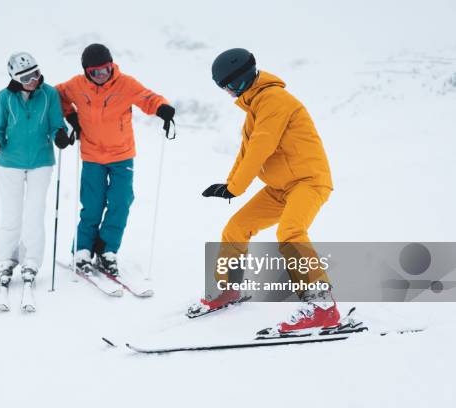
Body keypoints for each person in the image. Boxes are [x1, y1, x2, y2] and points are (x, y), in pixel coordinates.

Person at [188, 48, 338, 334]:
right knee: (236, 227)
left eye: (230, 87)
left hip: (308, 181)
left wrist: (237, 186)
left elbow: (261, 148)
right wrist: (229, 186)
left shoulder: (274, 100)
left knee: (291, 232)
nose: (229, 93)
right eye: (224, 89)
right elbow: (245, 153)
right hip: (280, 187)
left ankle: (323, 307)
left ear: (242, 79)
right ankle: (229, 290)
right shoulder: (254, 108)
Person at [55, 43, 175, 277]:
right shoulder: (76, 86)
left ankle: (107, 250)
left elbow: (148, 97)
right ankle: (82, 251)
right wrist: (71, 117)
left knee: (121, 202)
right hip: (92, 155)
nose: (102, 76)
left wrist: (162, 108)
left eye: (106, 69)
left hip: (122, 155)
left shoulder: (125, 84)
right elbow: (56, 95)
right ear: (86, 71)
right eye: (95, 72)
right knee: (92, 205)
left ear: (112, 66)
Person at [0, 52, 71, 288]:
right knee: (11, 215)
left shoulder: (49, 94)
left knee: (34, 214)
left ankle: (31, 261)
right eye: (26, 78)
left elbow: (56, 123)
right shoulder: (4, 97)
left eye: (35, 74)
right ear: (15, 78)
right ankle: (5, 260)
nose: (33, 80)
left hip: (41, 162)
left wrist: (60, 135)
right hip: (10, 162)